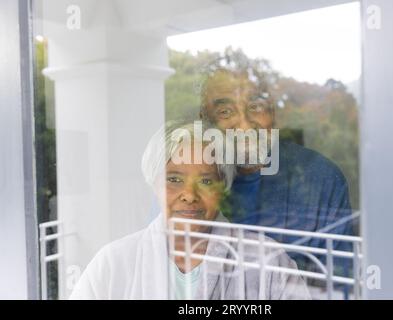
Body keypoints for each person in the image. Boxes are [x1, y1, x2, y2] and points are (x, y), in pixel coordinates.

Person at [70, 121, 310, 300]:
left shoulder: (269, 262)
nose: (189, 195)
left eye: (206, 181)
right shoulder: (113, 263)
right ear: (154, 183)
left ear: (222, 187)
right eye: (174, 179)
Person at [200, 68, 354, 272]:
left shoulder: (321, 179)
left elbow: (338, 281)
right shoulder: (184, 177)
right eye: (225, 111)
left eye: (256, 106)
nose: (245, 125)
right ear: (205, 120)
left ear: (273, 112)